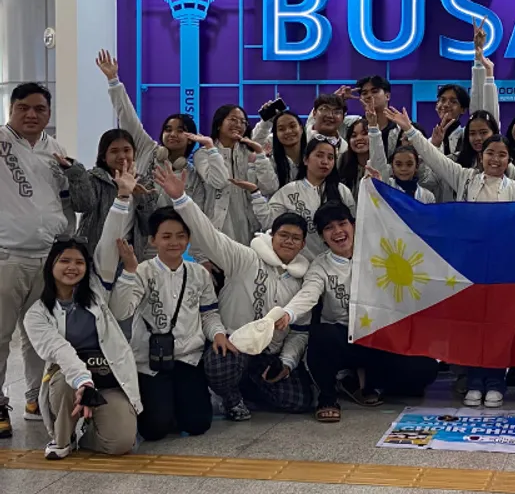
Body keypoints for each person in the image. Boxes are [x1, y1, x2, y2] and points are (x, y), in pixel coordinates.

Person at [386, 105, 515, 406]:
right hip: (468, 265)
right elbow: (433, 157)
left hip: (502, 270)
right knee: (473, 326)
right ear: (480, 156)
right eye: (490, 154)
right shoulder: (463, 178)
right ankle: (474, 379)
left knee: (499, 327)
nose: (495, 159)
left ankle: (496, 380)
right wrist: (410, 130)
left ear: (509, 159)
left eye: (502, 155)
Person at [154, 163, 314, 420]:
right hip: (232, 345)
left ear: (303, 244)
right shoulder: (245, 258)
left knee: (299, 401)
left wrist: (286, 362)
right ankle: (231, 395)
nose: (289, 241)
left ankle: (249, 386)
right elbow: (209, 236)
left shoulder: (302, 281)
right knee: (220, 366)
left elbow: (299, 332)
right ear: (272, 235)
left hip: (268, 354)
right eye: (283, 235)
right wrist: (181, 199)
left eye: (296, 238)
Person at [278, 202, 438, 422]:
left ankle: (364, 381)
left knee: (425, 369)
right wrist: (288, 313)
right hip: (343, 338)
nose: (338, 232)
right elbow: (309, 294)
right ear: (323, 237)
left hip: (379, 338)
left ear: (354, 225)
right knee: (322, 335)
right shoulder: (320, 266)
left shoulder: (380, 253)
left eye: (342, 224)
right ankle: (328, 395)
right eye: (329, 228)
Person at [101, 187, 230, 442]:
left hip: (188, 359)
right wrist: (128, 270)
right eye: (166, 236)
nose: (174, 242)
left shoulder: (199, 274)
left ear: (189, 239)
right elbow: (119, 311)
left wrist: (217, 333)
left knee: (198, 425)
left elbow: (209, 313)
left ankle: (175, 404)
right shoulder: (142, 271)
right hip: (150, 361)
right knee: (154, 430)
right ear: (153, 240)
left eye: (181, 236)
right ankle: (160, 405)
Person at [23, 236, 140, 459]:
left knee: (120, 444)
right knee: (65, 382)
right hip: (69, 379)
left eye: (79, 262)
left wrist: (130, 269)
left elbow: (122, 308)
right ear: (51, 266)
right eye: (64, 261)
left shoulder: (98, 295)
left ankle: (89, 433)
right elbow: (60, 350)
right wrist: (83, 382)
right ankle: (64, 438)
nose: (72, 267)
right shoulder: (37, 314)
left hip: (108, 378)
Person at [0, 82, 73, 436]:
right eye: (24, 107)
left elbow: (67, 198)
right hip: (7, 256)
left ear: (48, 113)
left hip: (47, 258)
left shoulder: (54, 149)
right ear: (11, 109)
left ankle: (33, 395)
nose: (31, 114)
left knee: (38, 333)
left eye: (40, 109)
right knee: (1, 335)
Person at [95, 50, 202, 203]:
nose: (172, 134)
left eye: (180, 131)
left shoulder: (192, 175)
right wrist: (113, 80)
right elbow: (127, 115)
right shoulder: (146, 148)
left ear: (191, 138)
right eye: (168, 129)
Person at [58, 131, 155, 258]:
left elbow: (149, 227)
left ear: (134, 153)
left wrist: (141, 199)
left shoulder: (144, 183)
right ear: (104, 156)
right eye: (114, 151)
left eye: (127, 150)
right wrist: (76, 173)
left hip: (128, 255)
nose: (122, 156)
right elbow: (82, 205)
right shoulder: (94, 178)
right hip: (94, 253)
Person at [264, 136, 357, 259]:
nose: (325, 162)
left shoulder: (343, 191)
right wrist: (255, 195)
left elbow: (353, 227)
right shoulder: (288, 191)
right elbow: (268, 223)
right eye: (319, 155)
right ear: (306, 160)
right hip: (299, 263)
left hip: (337, 264)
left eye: (330, 157)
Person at [192, 104, 264, 246]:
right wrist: (213, 150)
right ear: (219, 124)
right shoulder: (203, 154)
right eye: (233, 119)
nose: (238, 125)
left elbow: (268, 186)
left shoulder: (249, 153)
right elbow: (219, 182)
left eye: (243, 122)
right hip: (219, 226)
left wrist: (260, 154)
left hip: (249, 227)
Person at [252, 110, 307, 196]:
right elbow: (255, 143)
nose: (288, 131)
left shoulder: (313, 154)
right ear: (276, 134)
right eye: (281, 129)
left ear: (301, 129)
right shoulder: (270, 160)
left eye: (292, 126)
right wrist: (266, 122)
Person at [356, 75, 401, 158]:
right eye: (364, 93)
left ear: (387, 96)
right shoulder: (353, 126)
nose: (369, 96)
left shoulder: (402, 129)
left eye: (374, 91)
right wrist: (338, 100)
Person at [337, 119, 371, 200]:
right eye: (354, 135)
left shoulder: (382, 165)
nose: (359, 138)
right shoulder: (342, 162)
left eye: (364, 134)